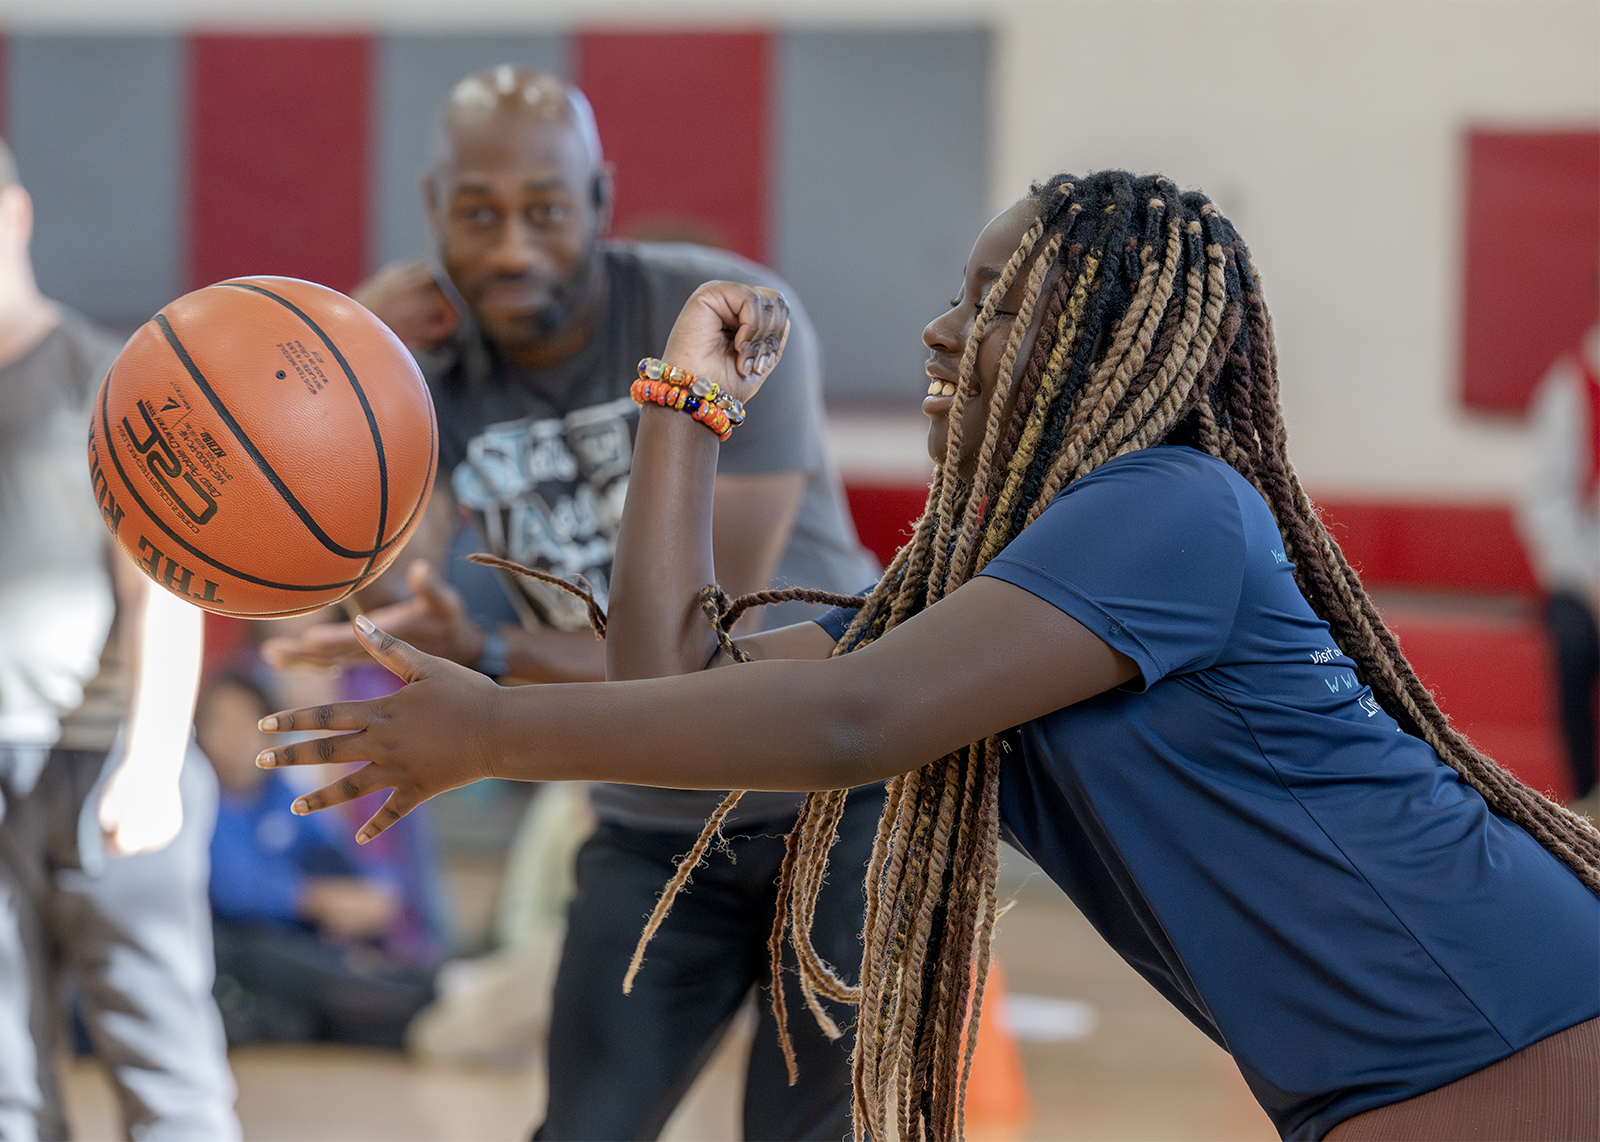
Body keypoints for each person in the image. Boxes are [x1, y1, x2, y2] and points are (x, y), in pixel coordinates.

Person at [260, 171, 1600, 1142]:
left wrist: (493, 730)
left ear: (1109, 352)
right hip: (1373, 1059)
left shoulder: (1170, 504)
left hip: (1495, 1009)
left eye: (999, 305)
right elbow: (661, 667)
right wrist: (680, 410)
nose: (942, 331)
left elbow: (855, 725)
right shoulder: (982, 597)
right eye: (959, 297)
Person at [263, 67, 880, 1140]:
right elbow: (361, 585)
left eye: (544, 210)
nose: (511, 248)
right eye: (478, 213)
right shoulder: (434, 366)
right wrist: (358, 367)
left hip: (831, 807)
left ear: (597, 200)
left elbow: (701, 660)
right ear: (431, 210)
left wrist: (498, 659)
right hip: (647, 819)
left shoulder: (715, 316)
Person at [0, 138, 239, 1139]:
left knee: (161, 1052)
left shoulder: (110, 380)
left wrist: (148, 760)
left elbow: (164, 594)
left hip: (107, 756)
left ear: (14, 217)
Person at [197, 672, 434, 1048]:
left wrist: (375, 892)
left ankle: (432, 997)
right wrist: (315, 899)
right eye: (220, 724)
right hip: (237, 948)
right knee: (280, 962)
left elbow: (342, 855)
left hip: (307, 940)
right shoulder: (198, 798)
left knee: (358, 970)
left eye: (247, 722)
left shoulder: (281, 793)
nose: (236, 737)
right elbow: (234, 892)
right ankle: (423, 1012)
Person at [1516, 318, 1600, 811]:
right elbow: (1546, 501)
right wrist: (1589, 585)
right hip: (1582, 576)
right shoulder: (1572, 383)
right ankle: (1584, 796)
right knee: (1573, 645)